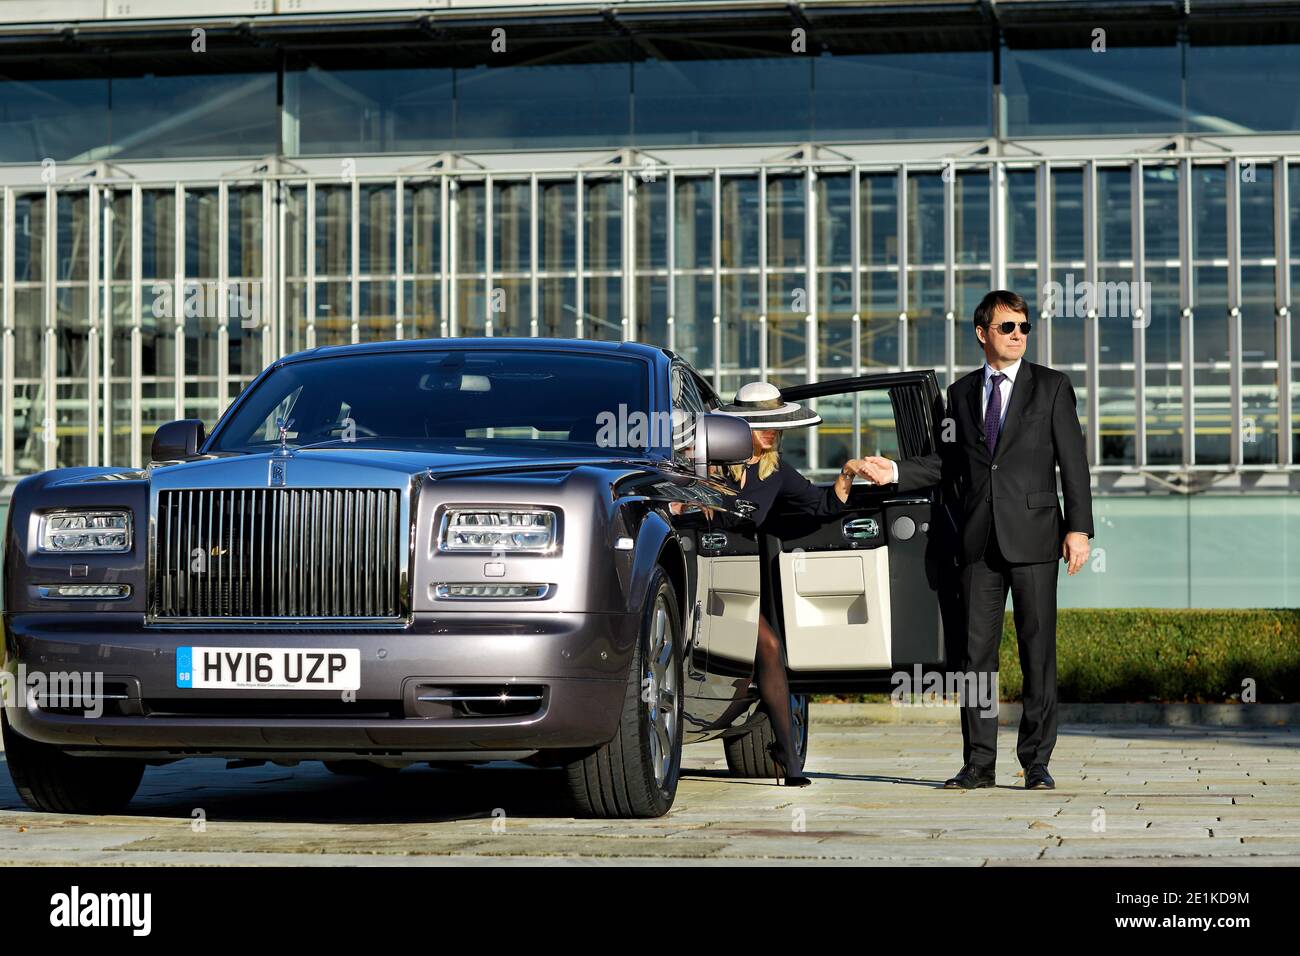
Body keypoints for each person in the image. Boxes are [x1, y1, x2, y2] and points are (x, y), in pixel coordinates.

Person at [859, 290, 1094, 791]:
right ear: (983, 332)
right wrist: (896, 470)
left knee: (1037, 651)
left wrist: (1079, 529)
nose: (1018, 336)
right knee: (974, 658)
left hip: (1034, 539)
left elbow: (1073, 463)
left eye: (1024, 327)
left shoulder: (1052, 388)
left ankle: (1036, 762)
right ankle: (979, 764)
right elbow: (946, 465)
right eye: (1008, 327)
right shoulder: (962, 395)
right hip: (976, 543)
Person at [715, 381, 874, 787]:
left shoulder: (776, 472)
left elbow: (821, 505)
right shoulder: (707, 462)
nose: (771, 432)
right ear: (739, 427)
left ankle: (789, 761)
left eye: (776, 425)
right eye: (762, 424)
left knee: (770, 647)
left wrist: (847, 472)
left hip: (738, 576)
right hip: (698, 566)